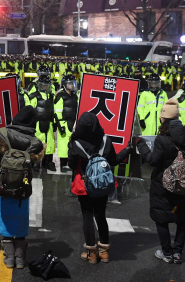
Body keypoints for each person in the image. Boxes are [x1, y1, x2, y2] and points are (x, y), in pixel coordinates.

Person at [0, 106, 44, 269]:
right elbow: (35, 164)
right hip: (23, 185)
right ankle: (20, 258)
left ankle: (9, 257)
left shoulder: (1, 134)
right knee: (21, 217)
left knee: (4, 216)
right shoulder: (35, 142)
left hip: (2, 184)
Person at [68, 112, 133, 264]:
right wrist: (127, 149)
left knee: (87, 217)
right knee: (100, 215)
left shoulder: (76, 143)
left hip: (84, 185)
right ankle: (104, 252)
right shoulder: (105, 140)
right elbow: (115, 160)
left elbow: (71, 165)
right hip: (102, 184)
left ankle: (91, 253)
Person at [137, 98, 185, 264]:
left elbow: (153, 161)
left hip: (163, 184)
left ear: (163, 118)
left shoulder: (162, 139)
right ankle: (178, 253)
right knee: (182, 219)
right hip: (184, 184)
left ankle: (167, 253)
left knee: (162, 218)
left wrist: (141, 145)